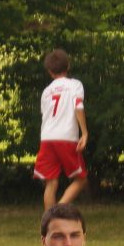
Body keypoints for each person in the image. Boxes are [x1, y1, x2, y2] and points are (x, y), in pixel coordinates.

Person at [35, 48, 88, 211]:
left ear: (50, 71)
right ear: (68, 65)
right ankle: (57, 211)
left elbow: (45, 114)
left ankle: (48, 222)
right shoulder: (74, 85)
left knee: (51, 182)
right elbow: (78, 106)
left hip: (47, 137)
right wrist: (84, 132)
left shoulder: (46, 91)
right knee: (80, 179)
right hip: (66, 137)